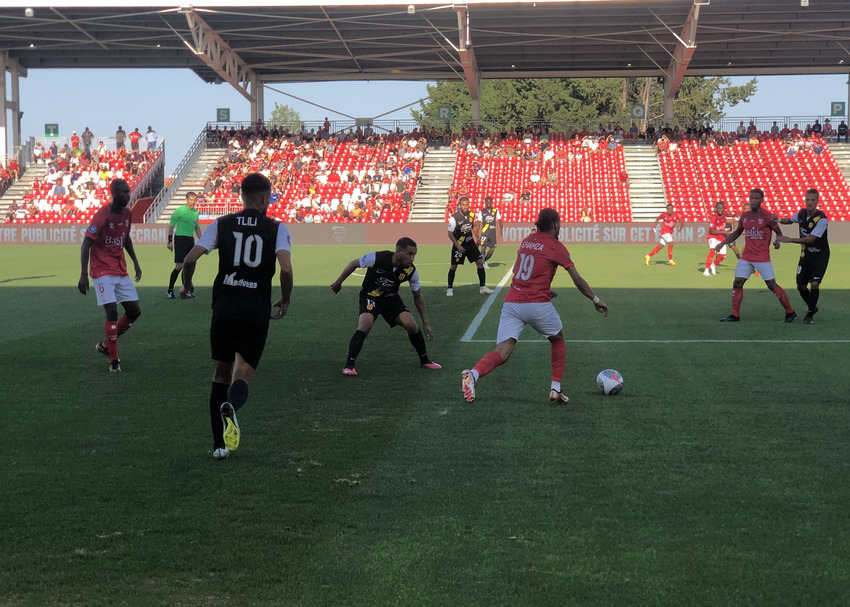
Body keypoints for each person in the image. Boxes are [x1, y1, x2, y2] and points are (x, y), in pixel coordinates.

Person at [180, 172, 293, 461]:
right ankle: (231, 406)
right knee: (242, 373)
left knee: (220, 372)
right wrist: (287, 299)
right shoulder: (276, 228)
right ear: (266, 197)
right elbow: (286, 269)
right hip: (255, 310)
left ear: (242, 196)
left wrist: (188, 284)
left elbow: (190, 258)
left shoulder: (221, 223)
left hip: (224, 308)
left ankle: (219, 445)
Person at [461, 208, 608, 404]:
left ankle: (474, 374)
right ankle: (555, 389)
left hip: (512, 302)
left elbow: (520, 271)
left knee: (502, 351)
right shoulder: (556, 246)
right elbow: (577, 280)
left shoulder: (527, 240)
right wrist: (596, 300)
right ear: (555, 224)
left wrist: (544, 288)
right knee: (557, 340)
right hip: (536, 304)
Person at [330, 237, 441, 376]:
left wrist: (425, 323)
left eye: (414, 255)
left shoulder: (410, 271)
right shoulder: (377, 257)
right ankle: (349, 366)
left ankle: (425, 361)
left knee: (411, 325)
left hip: (391, 299)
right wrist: (338, 282)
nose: (412, 258)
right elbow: (354, 263)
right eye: (409, 254)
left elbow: (417, 296)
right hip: (370, 296)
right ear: (398, 251)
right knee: (365, 325)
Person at [78, 179, 142, 373]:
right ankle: (114, 360)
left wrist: (135, 262)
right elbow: (86, 244)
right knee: (112, 312)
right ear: (113, 193)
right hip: (101, 270)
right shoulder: (101, 216)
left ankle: (106, 344)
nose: (128, 195)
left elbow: (126, 238)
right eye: (123, 192)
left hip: (120, 269)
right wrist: (83, 275)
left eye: (128, 192)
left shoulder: (127, 214)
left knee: (134, 311)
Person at [714, 188, 796, 323]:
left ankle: (790, 312)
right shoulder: (745, 216)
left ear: (761, 200)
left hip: (762, 257)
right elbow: (736, 233)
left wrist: (777, 240)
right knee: (738, 282)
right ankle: (735, 315)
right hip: (746, 257)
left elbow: (778, 232)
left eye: (756, 198)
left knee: (771, 284)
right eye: (751, 198)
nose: (753, 201)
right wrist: (722, 243)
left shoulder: (767, 216)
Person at [775, 188, 829, 324]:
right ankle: (813, 306)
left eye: (812, 200)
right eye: (807, 200)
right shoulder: (801, 213)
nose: (809, 203)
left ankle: (810, 313)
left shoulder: (821, 219)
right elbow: (790, 220)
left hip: (820, 256)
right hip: (806, 255)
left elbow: (810, 239)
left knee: (815, 284)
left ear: (817, 201)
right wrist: (779, 219)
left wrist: (789, 239)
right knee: (801, 285)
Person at [447, 196, 493, 296]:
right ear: (459, 205)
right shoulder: (454, 218)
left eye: (467, 204)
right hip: (459, 244)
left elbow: (474, 227)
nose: (465, 207)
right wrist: (457, 245)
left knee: (480, 263)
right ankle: (449, 288)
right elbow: (450, 234)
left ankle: (483, 287)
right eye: (463, 205)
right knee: (453, 266)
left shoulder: (472, 215)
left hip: (470, 243)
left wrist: (477, 238)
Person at [166, 192, 203, 299]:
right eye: (191, 200)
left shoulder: (196, 212)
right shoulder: (180, 211)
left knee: (189, 265)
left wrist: (202, 239)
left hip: (190, 240)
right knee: (179, 266)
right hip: (180, 239)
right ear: (186, 200)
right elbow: (171, 226)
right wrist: (169, 241)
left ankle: (186, 290)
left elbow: (196, 227)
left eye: (194, 200)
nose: (193, 202)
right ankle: (170, 290)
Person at [703, 201, 729, 276]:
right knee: (712, 251)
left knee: (723, 255)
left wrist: (738, 214)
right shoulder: (713, 217)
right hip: (713, 236)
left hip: (721, 237)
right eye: (718, 208)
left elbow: (730, 215)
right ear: (716, 209)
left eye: (722, 208)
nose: (720, 209)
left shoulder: (725, 214)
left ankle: (713, 265)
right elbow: (711, 230)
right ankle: (706, 270)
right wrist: (724, 232)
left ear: (724, 208)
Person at [477, 196, 503, 269]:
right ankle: (483, 263)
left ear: (491, 203)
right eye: (487, 202)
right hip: (485, 232)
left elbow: (500, 220)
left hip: (492, 232)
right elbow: (478, 222)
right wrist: (478, 232)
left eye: (489, 202)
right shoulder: (482, 212)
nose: (488, 203)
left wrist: (501, 229)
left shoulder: (495, 211)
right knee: (483, 247)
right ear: (485, 203)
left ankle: (484, 260)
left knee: (492, 249)